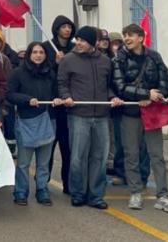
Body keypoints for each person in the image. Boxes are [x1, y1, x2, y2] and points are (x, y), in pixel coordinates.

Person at [112, 24, 168, 213]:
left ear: (141, 37)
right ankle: (135, 192)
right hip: (130, 114)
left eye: (131, 35)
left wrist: (155, 96)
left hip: (152, 113)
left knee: (157, 155)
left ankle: (163, 196)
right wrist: (143, 94)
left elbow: (166, 82)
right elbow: (120, 87)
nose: (126, 38)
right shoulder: (119, 59)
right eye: (125, 35)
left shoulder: (154, 57)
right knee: (131, 154)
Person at [58, 26, 122, 209]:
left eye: (83, 40)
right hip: (79, 115)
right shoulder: (68, 60)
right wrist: (66, 96)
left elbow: (109, 86)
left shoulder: (105, 61)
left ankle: (96, 195)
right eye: (77, 39)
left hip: (102, 116)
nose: (78, 43)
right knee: (78, 157)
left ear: (92, 42)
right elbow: (62, 83)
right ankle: (78, 193)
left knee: (100, 158)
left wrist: (113, 97)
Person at [7, 42, 62, 206]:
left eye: (41, 52)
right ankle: (21, 192)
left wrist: (57, 99)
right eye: (35, 52)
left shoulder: (50, 73)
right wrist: (26, 100)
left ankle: (42, 190)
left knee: (44, 161)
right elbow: (10, 94)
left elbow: (56, 93)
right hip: (26, 121)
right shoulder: (18, 73)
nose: (38, 55)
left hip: (48, 119)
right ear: (29, 54)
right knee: (24, 162)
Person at [44, 15, 75, 195]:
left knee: (68, 148)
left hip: (69, 104)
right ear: (57, 29)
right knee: (48, 147)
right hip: (52, 104)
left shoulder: (73, 48)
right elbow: (43, 73)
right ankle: (43, 182)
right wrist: (55, 64)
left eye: (69, 27)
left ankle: (68, 183)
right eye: (63, 27)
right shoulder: (47, 47)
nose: (67, 30)